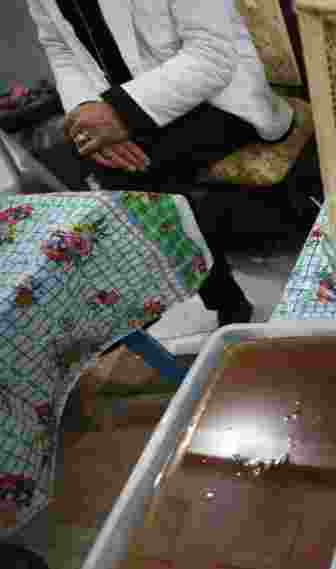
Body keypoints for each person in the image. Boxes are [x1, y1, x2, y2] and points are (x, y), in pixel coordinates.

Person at [27, 0, 296, 325]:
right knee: (97, 158)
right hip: (126, 104)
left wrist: (120, 112)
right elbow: (60, 49)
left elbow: (213, 53)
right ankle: (212, 293)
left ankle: (223, 299)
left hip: (218, 91)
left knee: (139, 172)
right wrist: (88, 110)